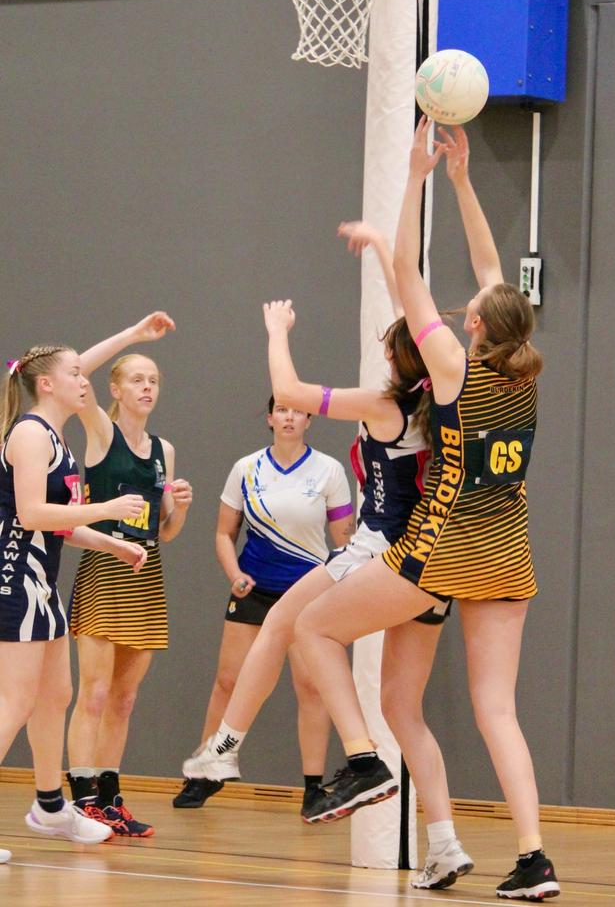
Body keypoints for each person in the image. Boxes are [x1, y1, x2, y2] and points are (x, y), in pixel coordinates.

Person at [287, 120, 560, 901]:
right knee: (493, 710)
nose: (466, 302)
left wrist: (415, 176)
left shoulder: (451, 369)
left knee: (312, 626)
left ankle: (363, 759)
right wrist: (466, 182)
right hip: (508, 556)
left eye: (471, 306)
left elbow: (407, 268)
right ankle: (531, 855)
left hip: (436, 553)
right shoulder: (521, 374)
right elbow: (492, 273)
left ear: (475, 324)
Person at [181, 229, 474, 890]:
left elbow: (287, 391)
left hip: (388, 549)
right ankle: (447, 842)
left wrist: (276, 330)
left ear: (398, 358)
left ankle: (288, 751)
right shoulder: (442, 406)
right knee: (405, 707)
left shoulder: (385, 405)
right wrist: (384, 250)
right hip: (435, 566)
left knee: (296, 622)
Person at [0, 345, 147, 863]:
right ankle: (48, 806)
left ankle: (48, 807)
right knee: (13, 703)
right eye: (76, 372)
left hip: (43, 582)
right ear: (47, 384)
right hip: (15, 579)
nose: (84, 380)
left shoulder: (56, 438)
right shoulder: (30, 434)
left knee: (54, 695)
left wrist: (111, 541)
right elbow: (32, 512)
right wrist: (108, 507)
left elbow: (60, 521)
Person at [175, 396, 354, 815]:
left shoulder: (329, 470)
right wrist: (234, 574)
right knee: (228, 682)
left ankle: (313, 788)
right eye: (282, 410)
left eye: (298, 410)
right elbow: (224, 533)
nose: (289, 417)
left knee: (311, 688)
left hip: (308, 595)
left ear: (309, 418)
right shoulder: (245, 468)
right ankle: (203, 774)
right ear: (270, 417)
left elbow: (345, 540)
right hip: (254, 592)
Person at [66, 312, 192, 837]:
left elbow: (165, 532)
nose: (147, 387)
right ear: (115, 388)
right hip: (102, 565)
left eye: (154, 381)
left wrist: (180, 506)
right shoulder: (99, 428)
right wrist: (134, 336)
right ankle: (81, 799)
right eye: (137, 378)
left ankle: (111, 798)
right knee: (93, 693)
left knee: (124, 697)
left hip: (146, 571)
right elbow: (76, 374)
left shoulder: (163, 450)